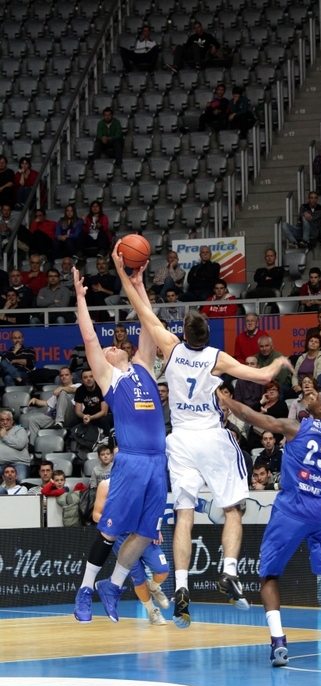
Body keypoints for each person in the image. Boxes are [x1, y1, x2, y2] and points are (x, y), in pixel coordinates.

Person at [115, 255, 293, 629]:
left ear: (184, 332)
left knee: (184, 515)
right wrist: (279, 363)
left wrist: (128, 274)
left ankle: (181, 587)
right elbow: (262, 376)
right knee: (233, 509)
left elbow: (143, 312)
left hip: (179, 440)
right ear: (207, 335)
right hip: (211, 437)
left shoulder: (170, 347)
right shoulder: (217, 358)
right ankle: (228, 571)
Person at [220, 387, 321, 666]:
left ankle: (278, 642)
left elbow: (249, 416)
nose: (310, 397)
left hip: (291, 508)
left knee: (269, 576)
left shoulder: (295, 427)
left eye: (316, 398)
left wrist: (224, 398)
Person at [72, 256, 168, 625]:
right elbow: (88, 337)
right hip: (131, 459)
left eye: (114, 345)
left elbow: (148, 322)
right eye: (108, 348)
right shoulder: (109, 378)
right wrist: (81, 298)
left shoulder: (143, 365)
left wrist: (139, 284)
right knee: (110, 531)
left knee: (144, 533)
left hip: (158, 462)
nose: (113, 346)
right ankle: (85, 589)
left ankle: (112, 586)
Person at [90, 477, 170, 626]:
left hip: (142, 533)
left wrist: (156, 528)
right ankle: (152, 611)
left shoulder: (140, 480)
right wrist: (114, 524)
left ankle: (154, 588)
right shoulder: (106, 485)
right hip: (121, 538)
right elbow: (96, 515)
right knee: (138, 579)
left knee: (163, 570)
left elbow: (152, 508)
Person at [27, 366, 80, 444]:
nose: (64, 377)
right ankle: (32, 446)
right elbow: (47, 403)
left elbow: (74, 390)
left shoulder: (78, 385)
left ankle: (59, 421)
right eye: (61, 375)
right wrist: (36, 400)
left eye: (66, 375)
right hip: (56, 416)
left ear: (71, 376)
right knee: (32, 419)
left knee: (63, 392)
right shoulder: (59, 390)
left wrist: (62, 389)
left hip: (72, 416)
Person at [249, 380, 289, 449]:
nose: (271, 391)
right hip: (258, 432)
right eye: (268, 390)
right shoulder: (263, 404)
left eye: (274, 389)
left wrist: (266, 411)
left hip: (274, 432)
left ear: (278, 392)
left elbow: (280, 413)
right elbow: (250, 412)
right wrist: (261, 402)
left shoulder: (282, 404)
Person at [0, 410, 31, 480]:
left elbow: (20, 444)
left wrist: (4, 437)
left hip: (19, 463)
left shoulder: (19, 430)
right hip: (1, 464)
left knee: (20, 480)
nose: (5, 422)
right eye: (2, 420)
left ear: (12, 421)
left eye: (7, 420)